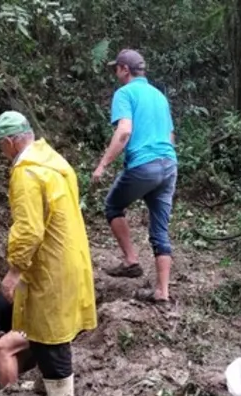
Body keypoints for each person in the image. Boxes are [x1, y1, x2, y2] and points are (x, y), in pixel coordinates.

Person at [0, 110, 97, 396]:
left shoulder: (26, 173)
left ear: (10, 142)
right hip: (68, 255)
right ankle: (45, 383)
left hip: (50, 265)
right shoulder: (52, 160)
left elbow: (29, 229)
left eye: (0, 146)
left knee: (51, 336)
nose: (1, 153)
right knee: (38, 328)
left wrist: (14, 270)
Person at [91, 48, 178, 305]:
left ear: (125, 70)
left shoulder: (125, 93)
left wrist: (103, 165)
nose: (115, 73)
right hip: (169, 164)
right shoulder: (159, 96)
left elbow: (124, 132)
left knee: (113, 205)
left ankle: (131, 260)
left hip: (144, 164)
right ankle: (162, 291)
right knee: (160, 229)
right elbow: (171, 135)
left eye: (116, 68)